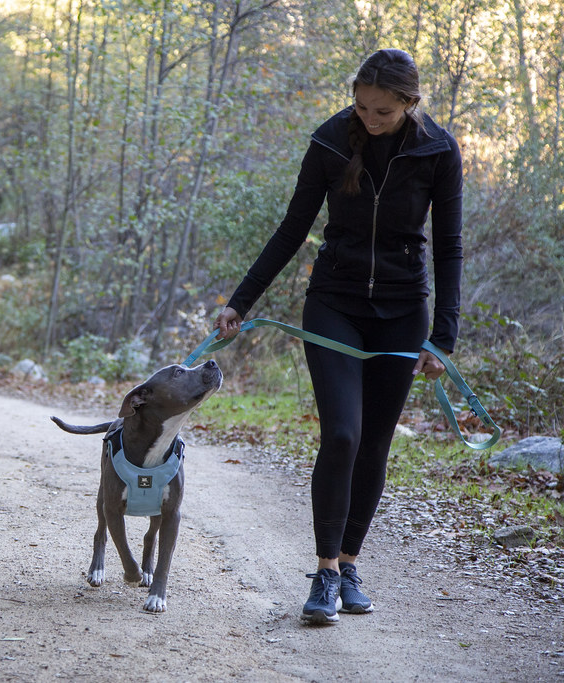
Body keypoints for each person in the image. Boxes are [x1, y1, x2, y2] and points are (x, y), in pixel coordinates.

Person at [213, 48, 463, 625]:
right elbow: (292, 229)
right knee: (344, 436)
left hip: (403, 311)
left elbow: (448, 245)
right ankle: (325, 572)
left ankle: (350, 563)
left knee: (376, 441)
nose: (369, 118)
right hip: (334, 304)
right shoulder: (329, 141)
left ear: (409, 103)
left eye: (382, 111)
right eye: (361, 106)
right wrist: (239, 302)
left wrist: (442, 338)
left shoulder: (438, 150)